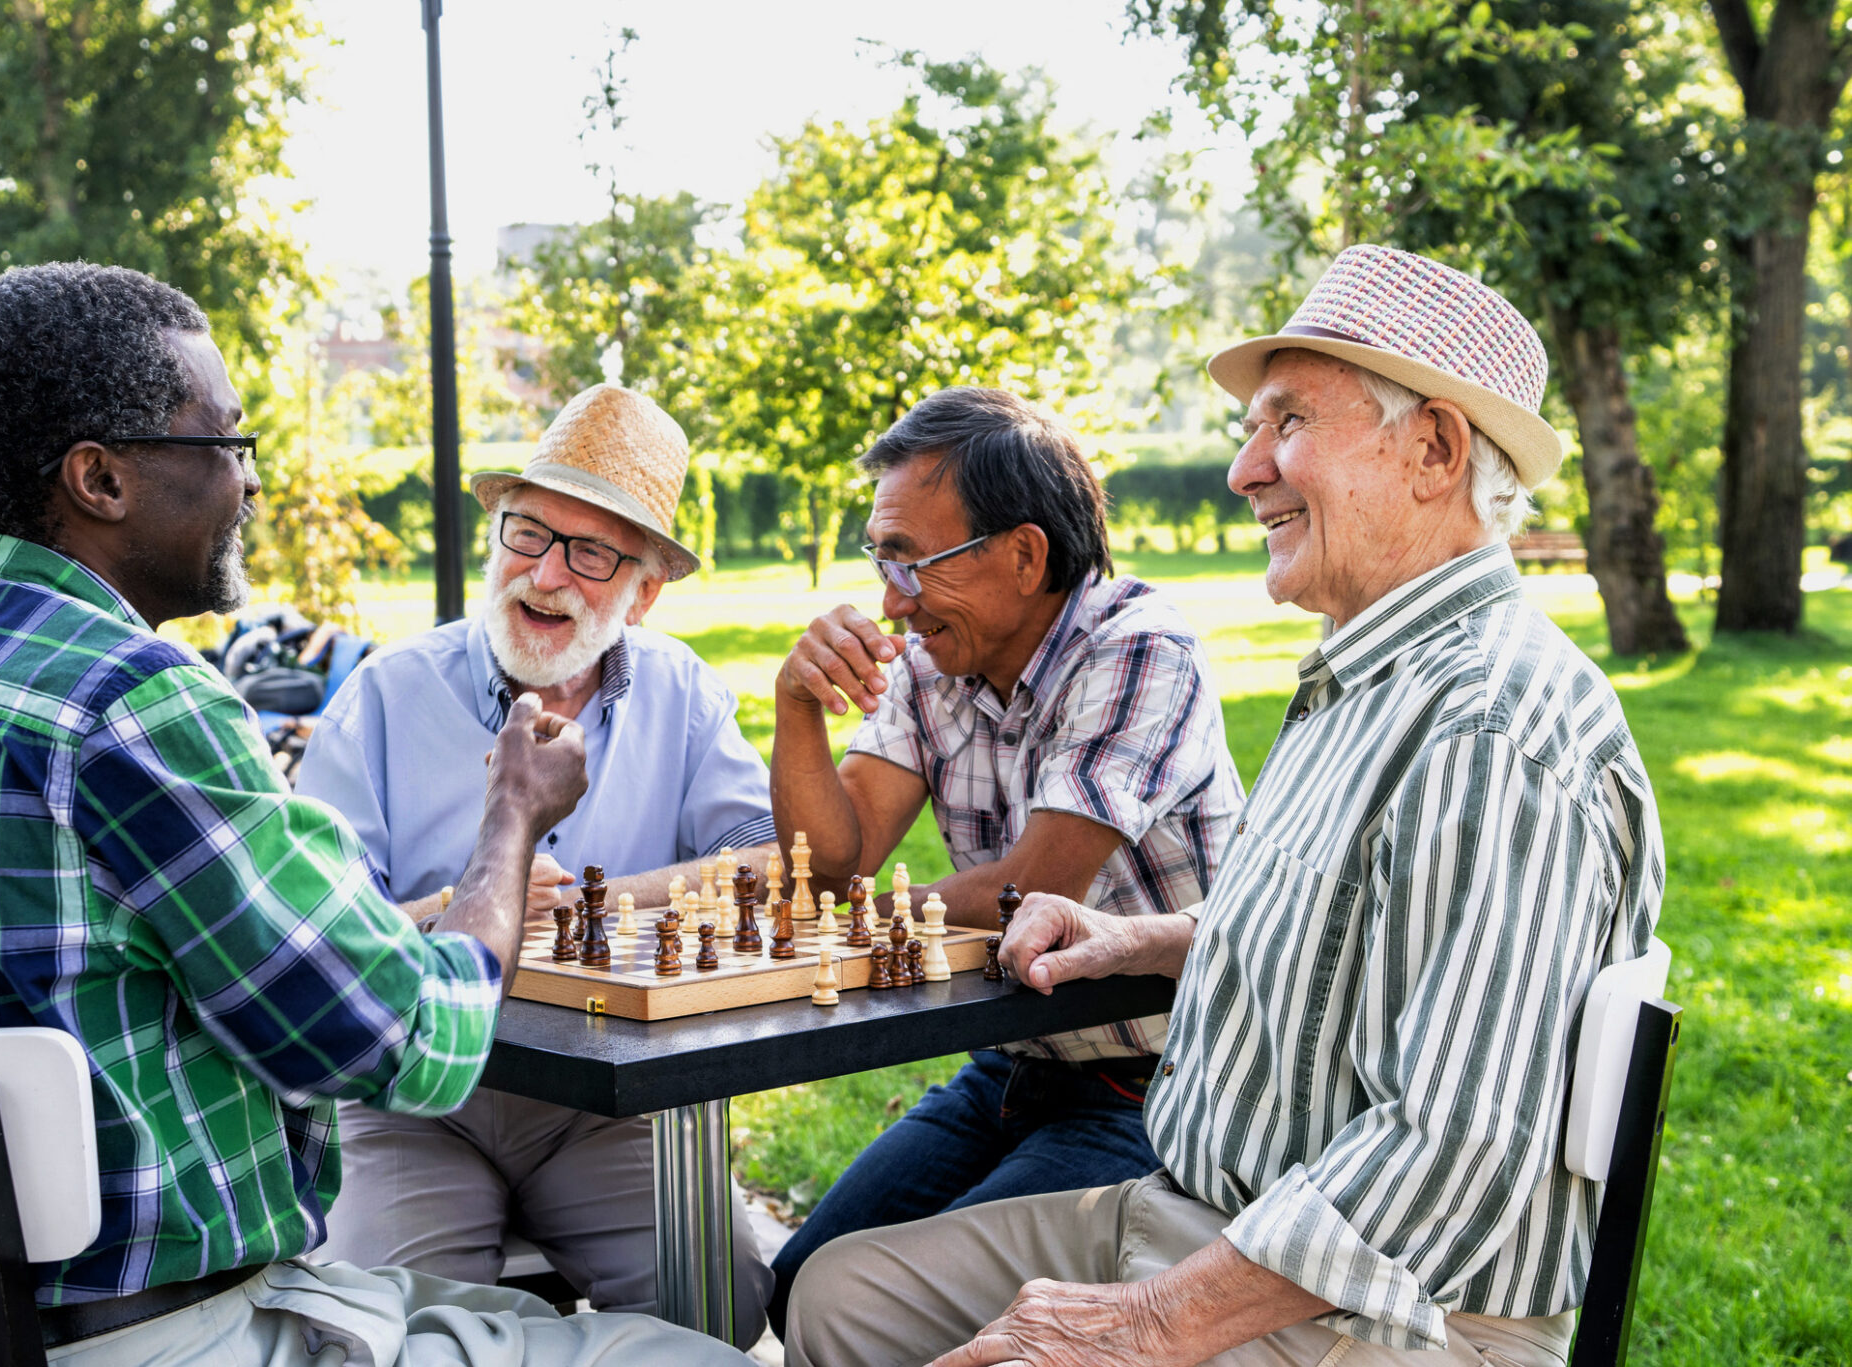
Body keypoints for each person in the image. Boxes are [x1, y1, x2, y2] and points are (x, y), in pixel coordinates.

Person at [0, 262, 750, 1367]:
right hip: (189, 1332)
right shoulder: (135, 704)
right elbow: (405, 1037)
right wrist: (510, 820)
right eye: (224, 442)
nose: (246, 485)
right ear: (101, 479)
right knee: (692, 1353)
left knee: (589, 1313)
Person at [780, 245, 1665, 1367]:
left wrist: (1149, 1322)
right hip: (1213, 1215)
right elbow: (1341, 949)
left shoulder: (1490, 725)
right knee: (833, 1294)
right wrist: (1132, 938)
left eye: (1285, 422)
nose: (1244, 471)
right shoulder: (1364, 677)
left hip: (1393, 1311)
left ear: (1433, 450)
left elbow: (1458, 1144)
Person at [297, 384, 777, 1339]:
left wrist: (600, 902)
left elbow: (758, 863)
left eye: (591, 551)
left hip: (608, 1105)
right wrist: (470, 901)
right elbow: (316, 935)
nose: (546, 574)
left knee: (728, 1300)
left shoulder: (683, 693)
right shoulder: (387, 695)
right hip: (415, 1102)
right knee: (390, 1333)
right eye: (528, 532)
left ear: (644, 589)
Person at [765, 386, 1243, 1336]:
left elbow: (1029, 890)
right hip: (1017, 1065)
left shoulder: (1139, 648)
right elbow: (832, 868)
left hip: (1165, 1088)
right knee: (797, 1282)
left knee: (901, 1318)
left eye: (912, 562)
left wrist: (839, 927)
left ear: (1024, 555)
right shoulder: (932, 657)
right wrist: (796, 708)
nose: (891, 600)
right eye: (881, 560)